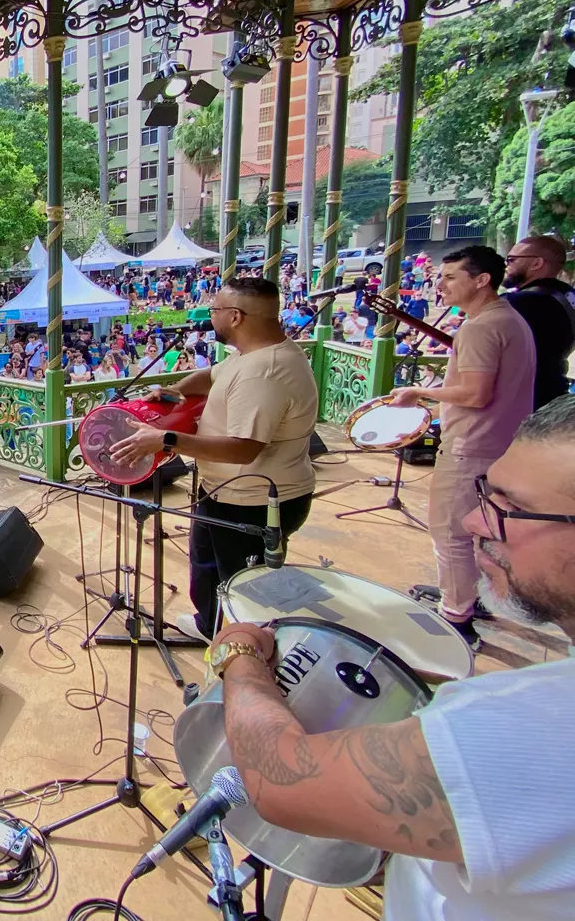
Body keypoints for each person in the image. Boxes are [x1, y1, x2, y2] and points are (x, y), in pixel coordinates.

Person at [212, 394, 575, 921]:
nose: (475, 522)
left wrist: (240, 655)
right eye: (484, 496)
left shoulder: (523, 730)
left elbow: (279, 782)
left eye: (509, 509)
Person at [108, 277, 318, 640]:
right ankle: (209, 626)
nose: (211, 316)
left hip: (253, 501)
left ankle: (242, 655)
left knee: (242, 586)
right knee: (207, 564)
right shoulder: (251, 355)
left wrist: (167, 439)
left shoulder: (263, 372)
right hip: (225, 491)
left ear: (235, 316)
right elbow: (211, 375)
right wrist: (177, 389)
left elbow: (243, 448)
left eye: (215, 310)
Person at [392, 245, 536, 649]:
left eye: (451, 276)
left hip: (472, 445)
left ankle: (455, 620)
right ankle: (471, 599)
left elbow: (475, 393)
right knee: (478, 532)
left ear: (481, 279)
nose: (441, 284)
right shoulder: (509, 319)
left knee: (451, 532)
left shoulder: (479, 327)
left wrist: (418, 390)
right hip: (500, 443)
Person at [502, 234, 574, 409]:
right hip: (554, 394)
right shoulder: (569, 296)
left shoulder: (518, 302)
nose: (506, 265)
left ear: (537, 263)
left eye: (511, 260)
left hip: (518, 401)